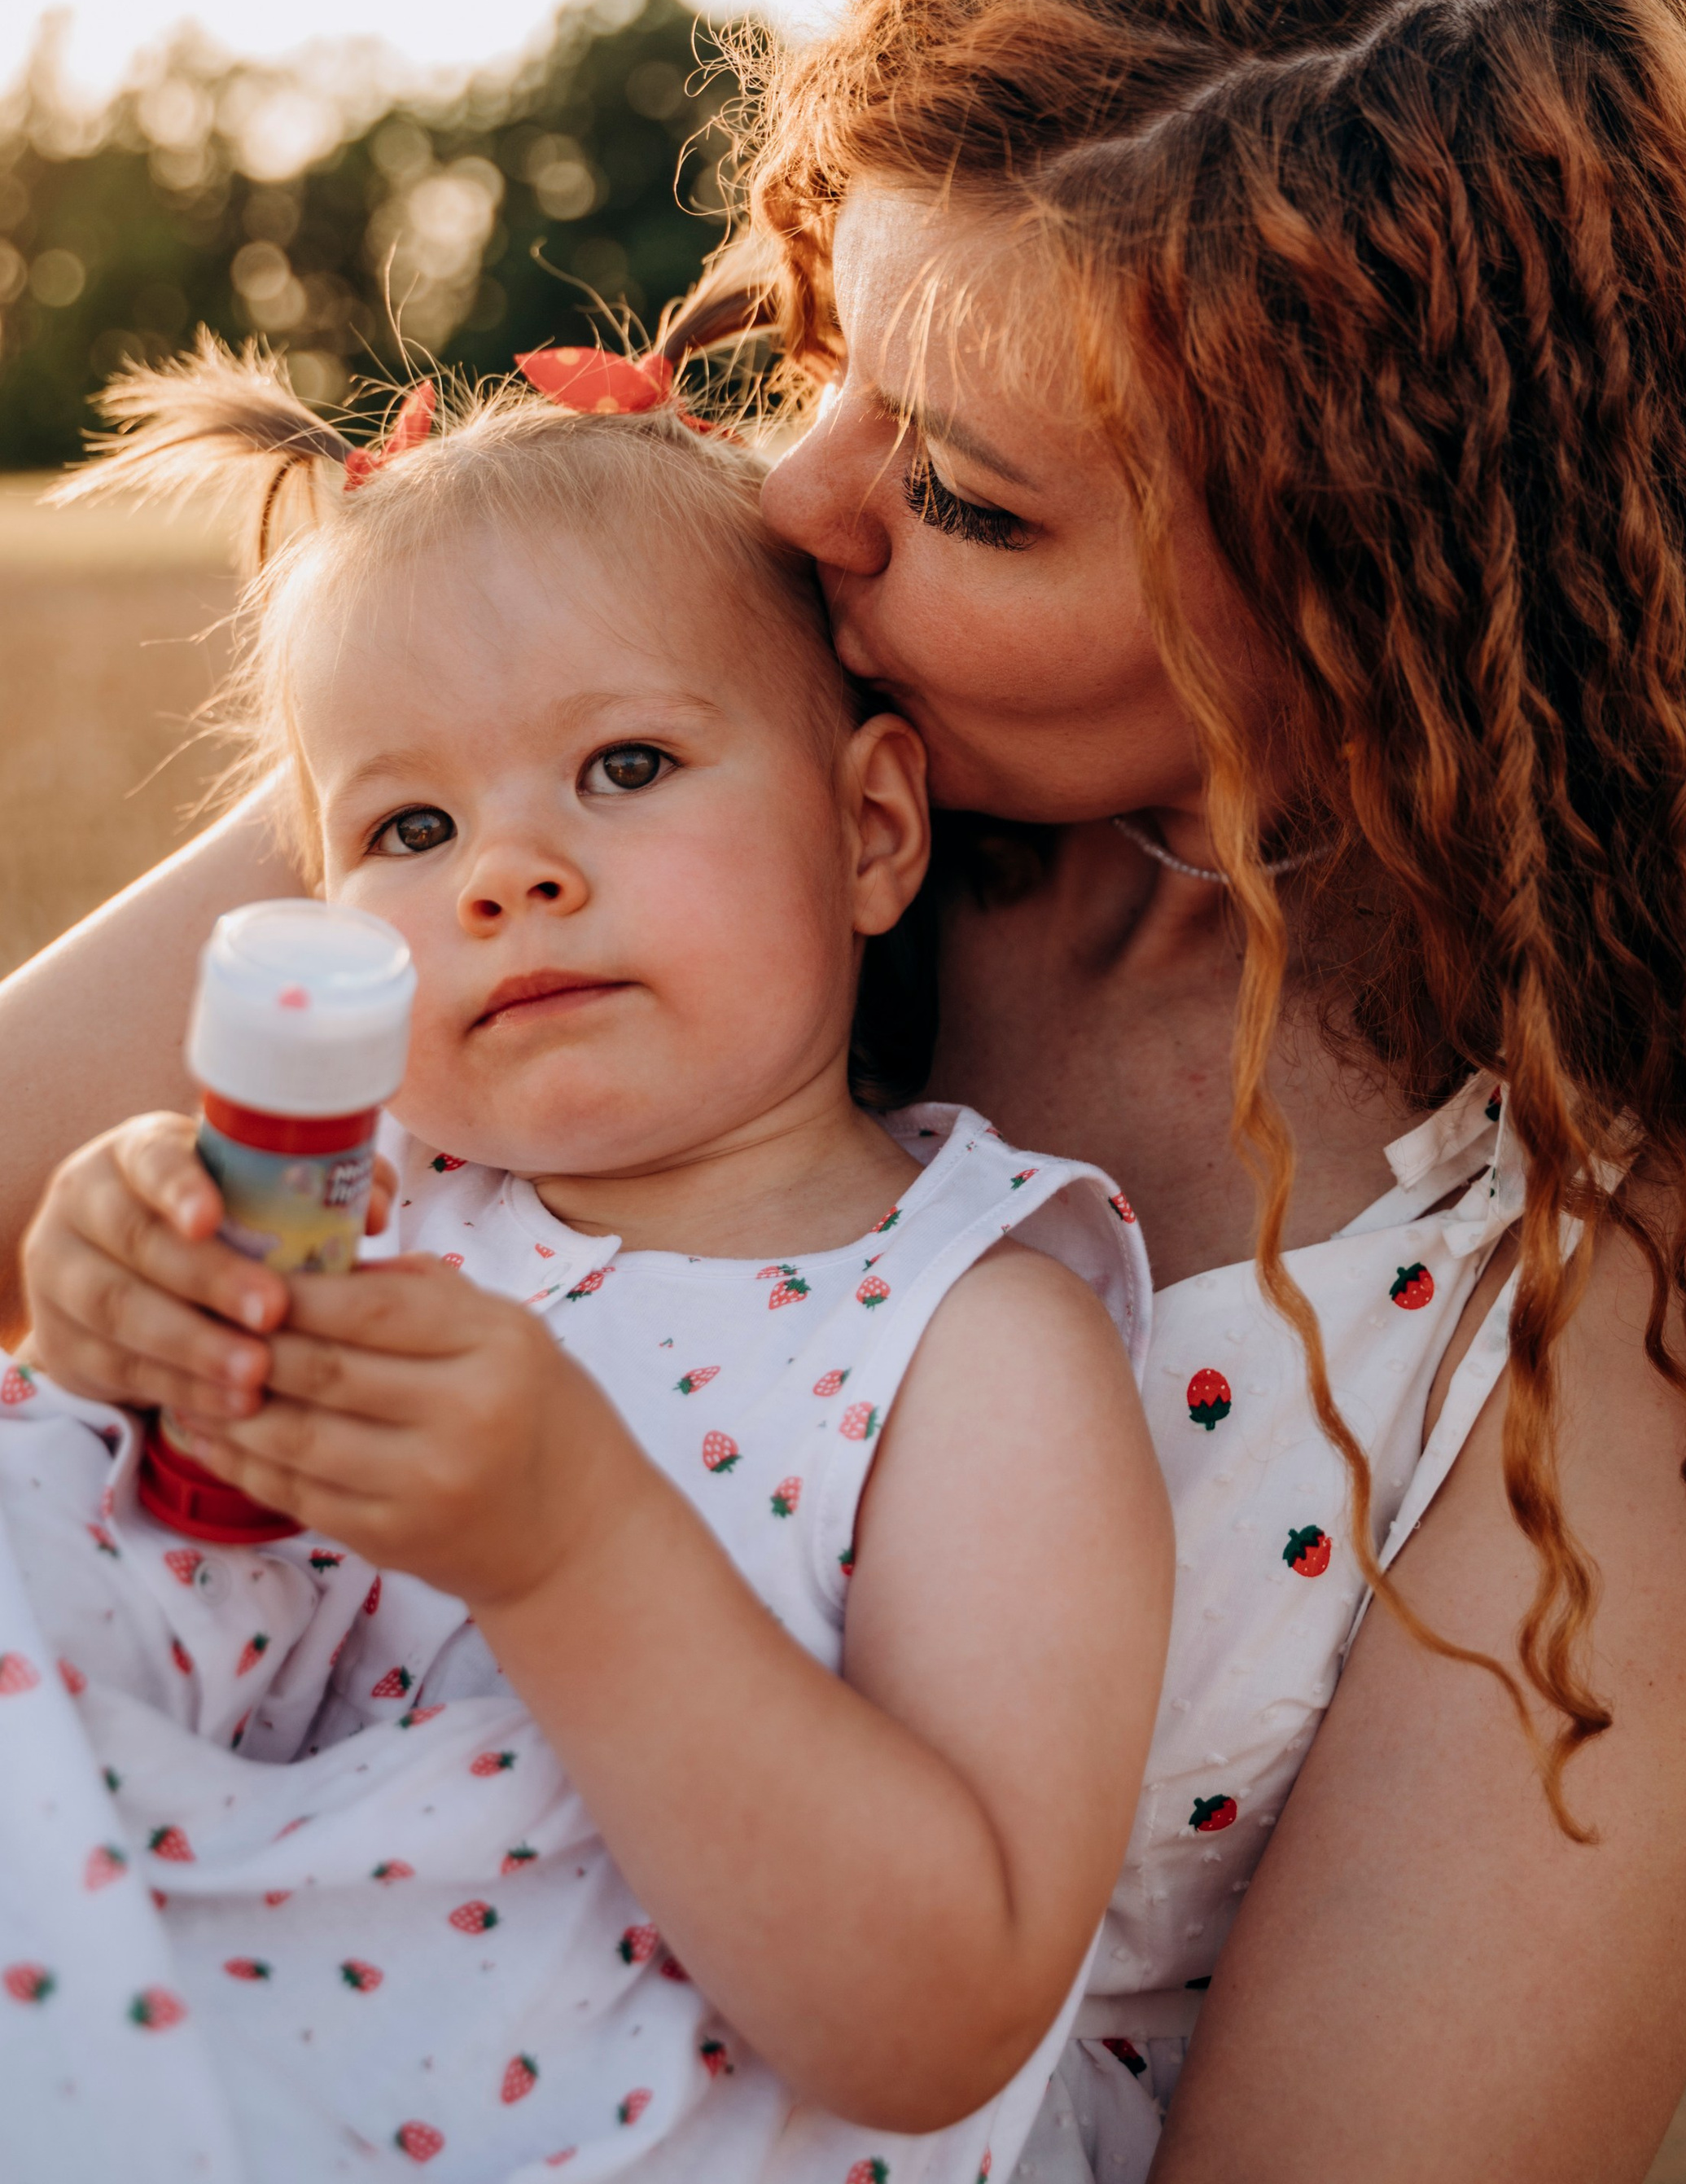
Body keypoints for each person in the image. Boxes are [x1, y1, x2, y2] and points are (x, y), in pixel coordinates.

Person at [5, 0, 1686, 2183]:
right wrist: (146, 1263)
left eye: (971, 500)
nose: (799, 498)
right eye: (828, 359)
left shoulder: (1634, 1319)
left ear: (1357, 618)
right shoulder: (642, 728)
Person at [1, 346, 1169, 2183]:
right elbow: (174, 1617)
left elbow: (942, 2017)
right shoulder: (353, 1212)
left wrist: (567, 1543)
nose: (507, 874)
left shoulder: (971, 1332)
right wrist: (117, 1314)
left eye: (624, 765)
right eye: (410, 828)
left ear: (869, 827)